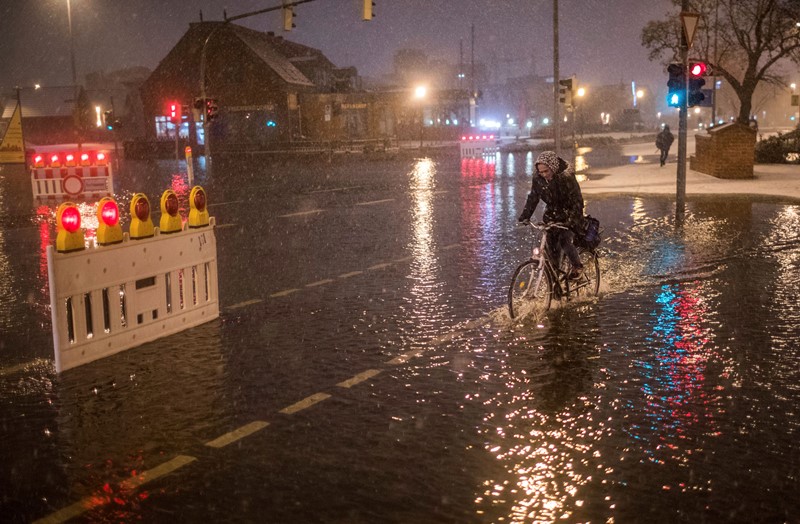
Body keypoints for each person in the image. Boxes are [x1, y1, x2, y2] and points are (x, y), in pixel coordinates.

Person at [518, 151, 585, 279]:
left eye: (546, 171)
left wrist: (572, 220)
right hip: (551, 215)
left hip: (569, 214)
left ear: (553, 168)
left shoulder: (566, 177)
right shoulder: (538, 179)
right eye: (541, 172)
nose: (543, 175)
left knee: (564, 240)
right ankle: (555, 282)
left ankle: (577, 266)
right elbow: (533, 197)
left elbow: (577, 200)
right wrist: (525, 215)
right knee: (551, 248)